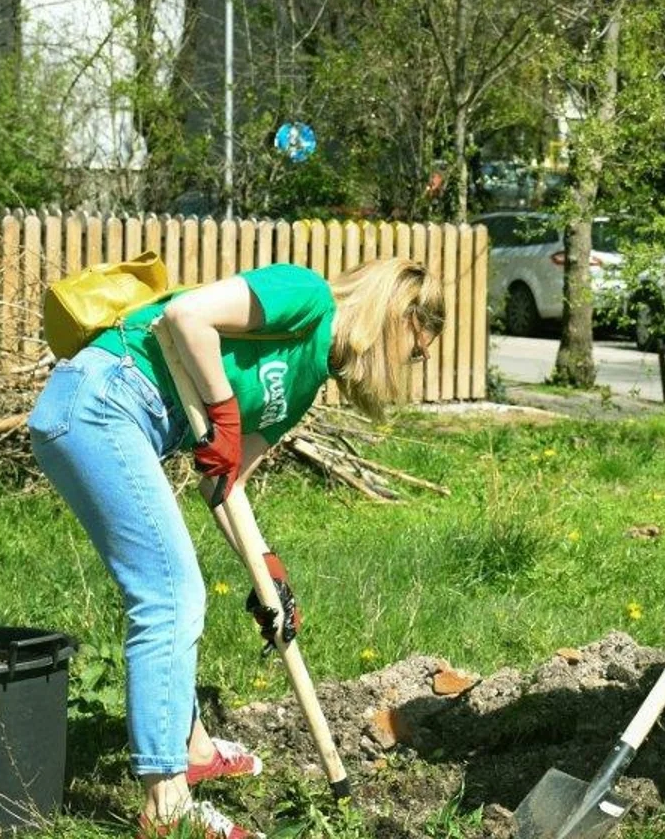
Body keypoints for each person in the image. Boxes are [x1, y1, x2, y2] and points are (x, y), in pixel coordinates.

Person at [28, 257, 445, 839]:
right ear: (395, 317)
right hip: (103, 399)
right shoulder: (307, 296)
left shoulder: (306, 382)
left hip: (123, 417)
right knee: (169, 595)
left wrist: (268, 573)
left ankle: (193, 749)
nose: (413, 363)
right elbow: (186, 315)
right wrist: (223, 414)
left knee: (172, 588)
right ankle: (166, 806)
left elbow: (226, 479)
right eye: (417, 348)